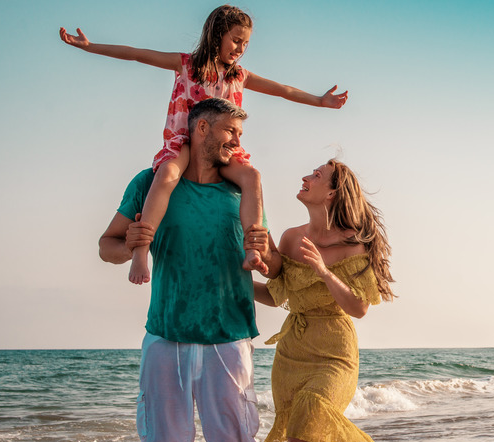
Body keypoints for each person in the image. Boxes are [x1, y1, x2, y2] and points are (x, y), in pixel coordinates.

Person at [99, 97, 280, 442]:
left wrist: (267, 251)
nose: (237, 144)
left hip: (229, 335)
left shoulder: (242, 191)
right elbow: (106, 246)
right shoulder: (151, 183)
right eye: (229, 132)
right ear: (201, 129)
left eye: (239, 135)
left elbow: (272, 265)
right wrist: (133, 244)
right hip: (166, 334)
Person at [61, 4, 348, 284]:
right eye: (235, 40)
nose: (240, 48)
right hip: (186, 143)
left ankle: (252, 250)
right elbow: (137, 55)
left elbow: (284, 91)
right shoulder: (186, 65)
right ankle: (140, 252)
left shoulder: (240, 76)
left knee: (252, 177)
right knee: (167, 175)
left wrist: (320, 102)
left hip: (224, 149)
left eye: (245, 43)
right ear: (216, 36)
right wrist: (90, 46)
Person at [253, 159, 395, 442]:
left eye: (315, 176)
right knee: (299, 441)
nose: (305, 177)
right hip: (292, 350)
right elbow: (277, 295)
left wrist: (323, 270)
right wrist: (235, 281)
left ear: (331, 192)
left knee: (309, 426)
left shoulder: (355, 243)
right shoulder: (289, 237)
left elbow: (360, 307)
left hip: (334, 351)